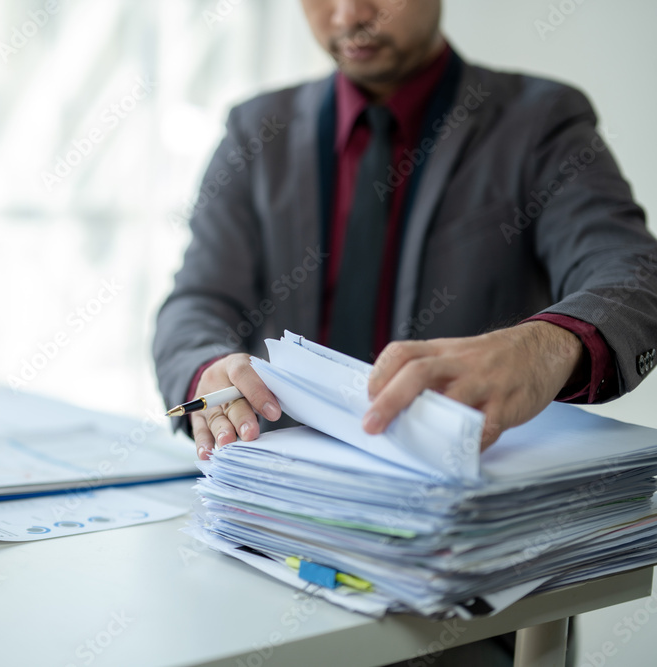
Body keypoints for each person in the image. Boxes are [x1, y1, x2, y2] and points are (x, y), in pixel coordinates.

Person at [154, 0, 657, 462]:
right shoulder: (256, 129)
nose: (350, 16)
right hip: (280, 498)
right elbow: (197, 302)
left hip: (465, 499)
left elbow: (634, 274)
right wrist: (208, 368)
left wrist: (544, 346)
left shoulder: (540, 122)